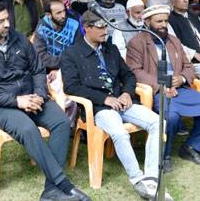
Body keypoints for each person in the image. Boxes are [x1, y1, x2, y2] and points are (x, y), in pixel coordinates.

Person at [0, 1, 90, 200]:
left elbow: (38, 69)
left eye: (8, 19)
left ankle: (50, 190)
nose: (7, 24)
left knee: (62, 122)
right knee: (28, 129)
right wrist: (17, 101)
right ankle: (62, 184)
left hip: (33, 96)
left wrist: (40, 94)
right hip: (4, 105)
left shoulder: (20, 39)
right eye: (1, 21)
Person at [60, 10, 167, 199]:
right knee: (119, 133)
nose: (106, 30)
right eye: (100, 26)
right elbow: (72, 86)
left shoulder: (112, 49)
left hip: (124, 102)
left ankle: (151, 177)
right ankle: (137, 179)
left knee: (159, 123)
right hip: (98, 107)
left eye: (106, 25)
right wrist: (104, 99)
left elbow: (128, 75)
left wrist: (127, 93)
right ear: (87, 28)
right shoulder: (72, 53)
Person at [125, 5, 200, 171]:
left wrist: (182, 77)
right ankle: (164, 155)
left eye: (166, 21)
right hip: (155, 91)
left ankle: (191, 147)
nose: (164, 25)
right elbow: (134, 71)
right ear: (147, 22)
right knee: (171, 117)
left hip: (180, 89)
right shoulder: (137, 42)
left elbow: (188, 66)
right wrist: (161, 85)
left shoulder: (174, 41)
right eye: (159, 21)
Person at [35, 0, 82, 79]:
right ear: (48, 15)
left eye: (64, 11)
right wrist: (57, 67)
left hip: (72, 67)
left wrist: (60, 69)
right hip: (47, 69)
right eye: (58, 13)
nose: (63, 15)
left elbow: (79, 52)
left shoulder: (74, 25)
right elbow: (40, 56)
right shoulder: (42, 28)